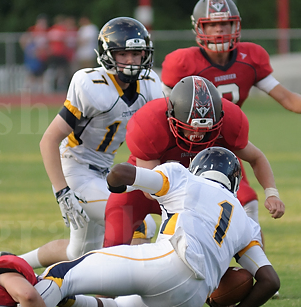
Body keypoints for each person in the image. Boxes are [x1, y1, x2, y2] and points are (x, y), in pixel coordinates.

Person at [0, 148, 280, 307]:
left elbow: (122, 173)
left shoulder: (183, 178)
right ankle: (60, 303)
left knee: (63, 273)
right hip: (190, 302)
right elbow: (269, 280)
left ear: (197, 169)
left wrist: (113, 185)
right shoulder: (245, 222)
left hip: (168, 263)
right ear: (235, 183)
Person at [16, 17, 163, 270]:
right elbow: (49, 140)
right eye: (123, 54)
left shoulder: (150, 85)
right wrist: (63, 192)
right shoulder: (91, 85)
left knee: (77, 252)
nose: (130, 60)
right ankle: (120, 294)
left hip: (106, 172)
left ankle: (10, 263)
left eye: (136, 54)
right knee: (139, 223)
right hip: (76, 170)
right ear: (107, 55)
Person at [161, 0, 301, 230]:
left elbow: (288, 99)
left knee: (247, 203)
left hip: (224, 142)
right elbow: (163, 110)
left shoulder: (251, 57)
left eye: (225, 23)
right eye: (212, 24)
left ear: (236, 24)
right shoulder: (182, 62)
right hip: (185, 144)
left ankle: (256, 265)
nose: (219, 30)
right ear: (199, 28)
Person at [103, 75, 285, 250]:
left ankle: (253, 266)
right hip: (147, 189)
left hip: (197, 191)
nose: (197, 135)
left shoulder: (229, 121)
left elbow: (256, 157)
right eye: (189, 129)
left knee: (211, 244)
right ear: (171, 116)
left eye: (206, 130)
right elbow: (151, 193)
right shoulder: (150, 122)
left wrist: (272, 193)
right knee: (112, 247)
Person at [20, 14, 49, 93]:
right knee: (32, 75)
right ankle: (26, 92)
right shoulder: (33, 30)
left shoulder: (46, 32)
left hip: (43, 57)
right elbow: (23, 39)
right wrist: (28, 50)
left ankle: (40, 93)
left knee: (41, 75)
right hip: (34, 58)